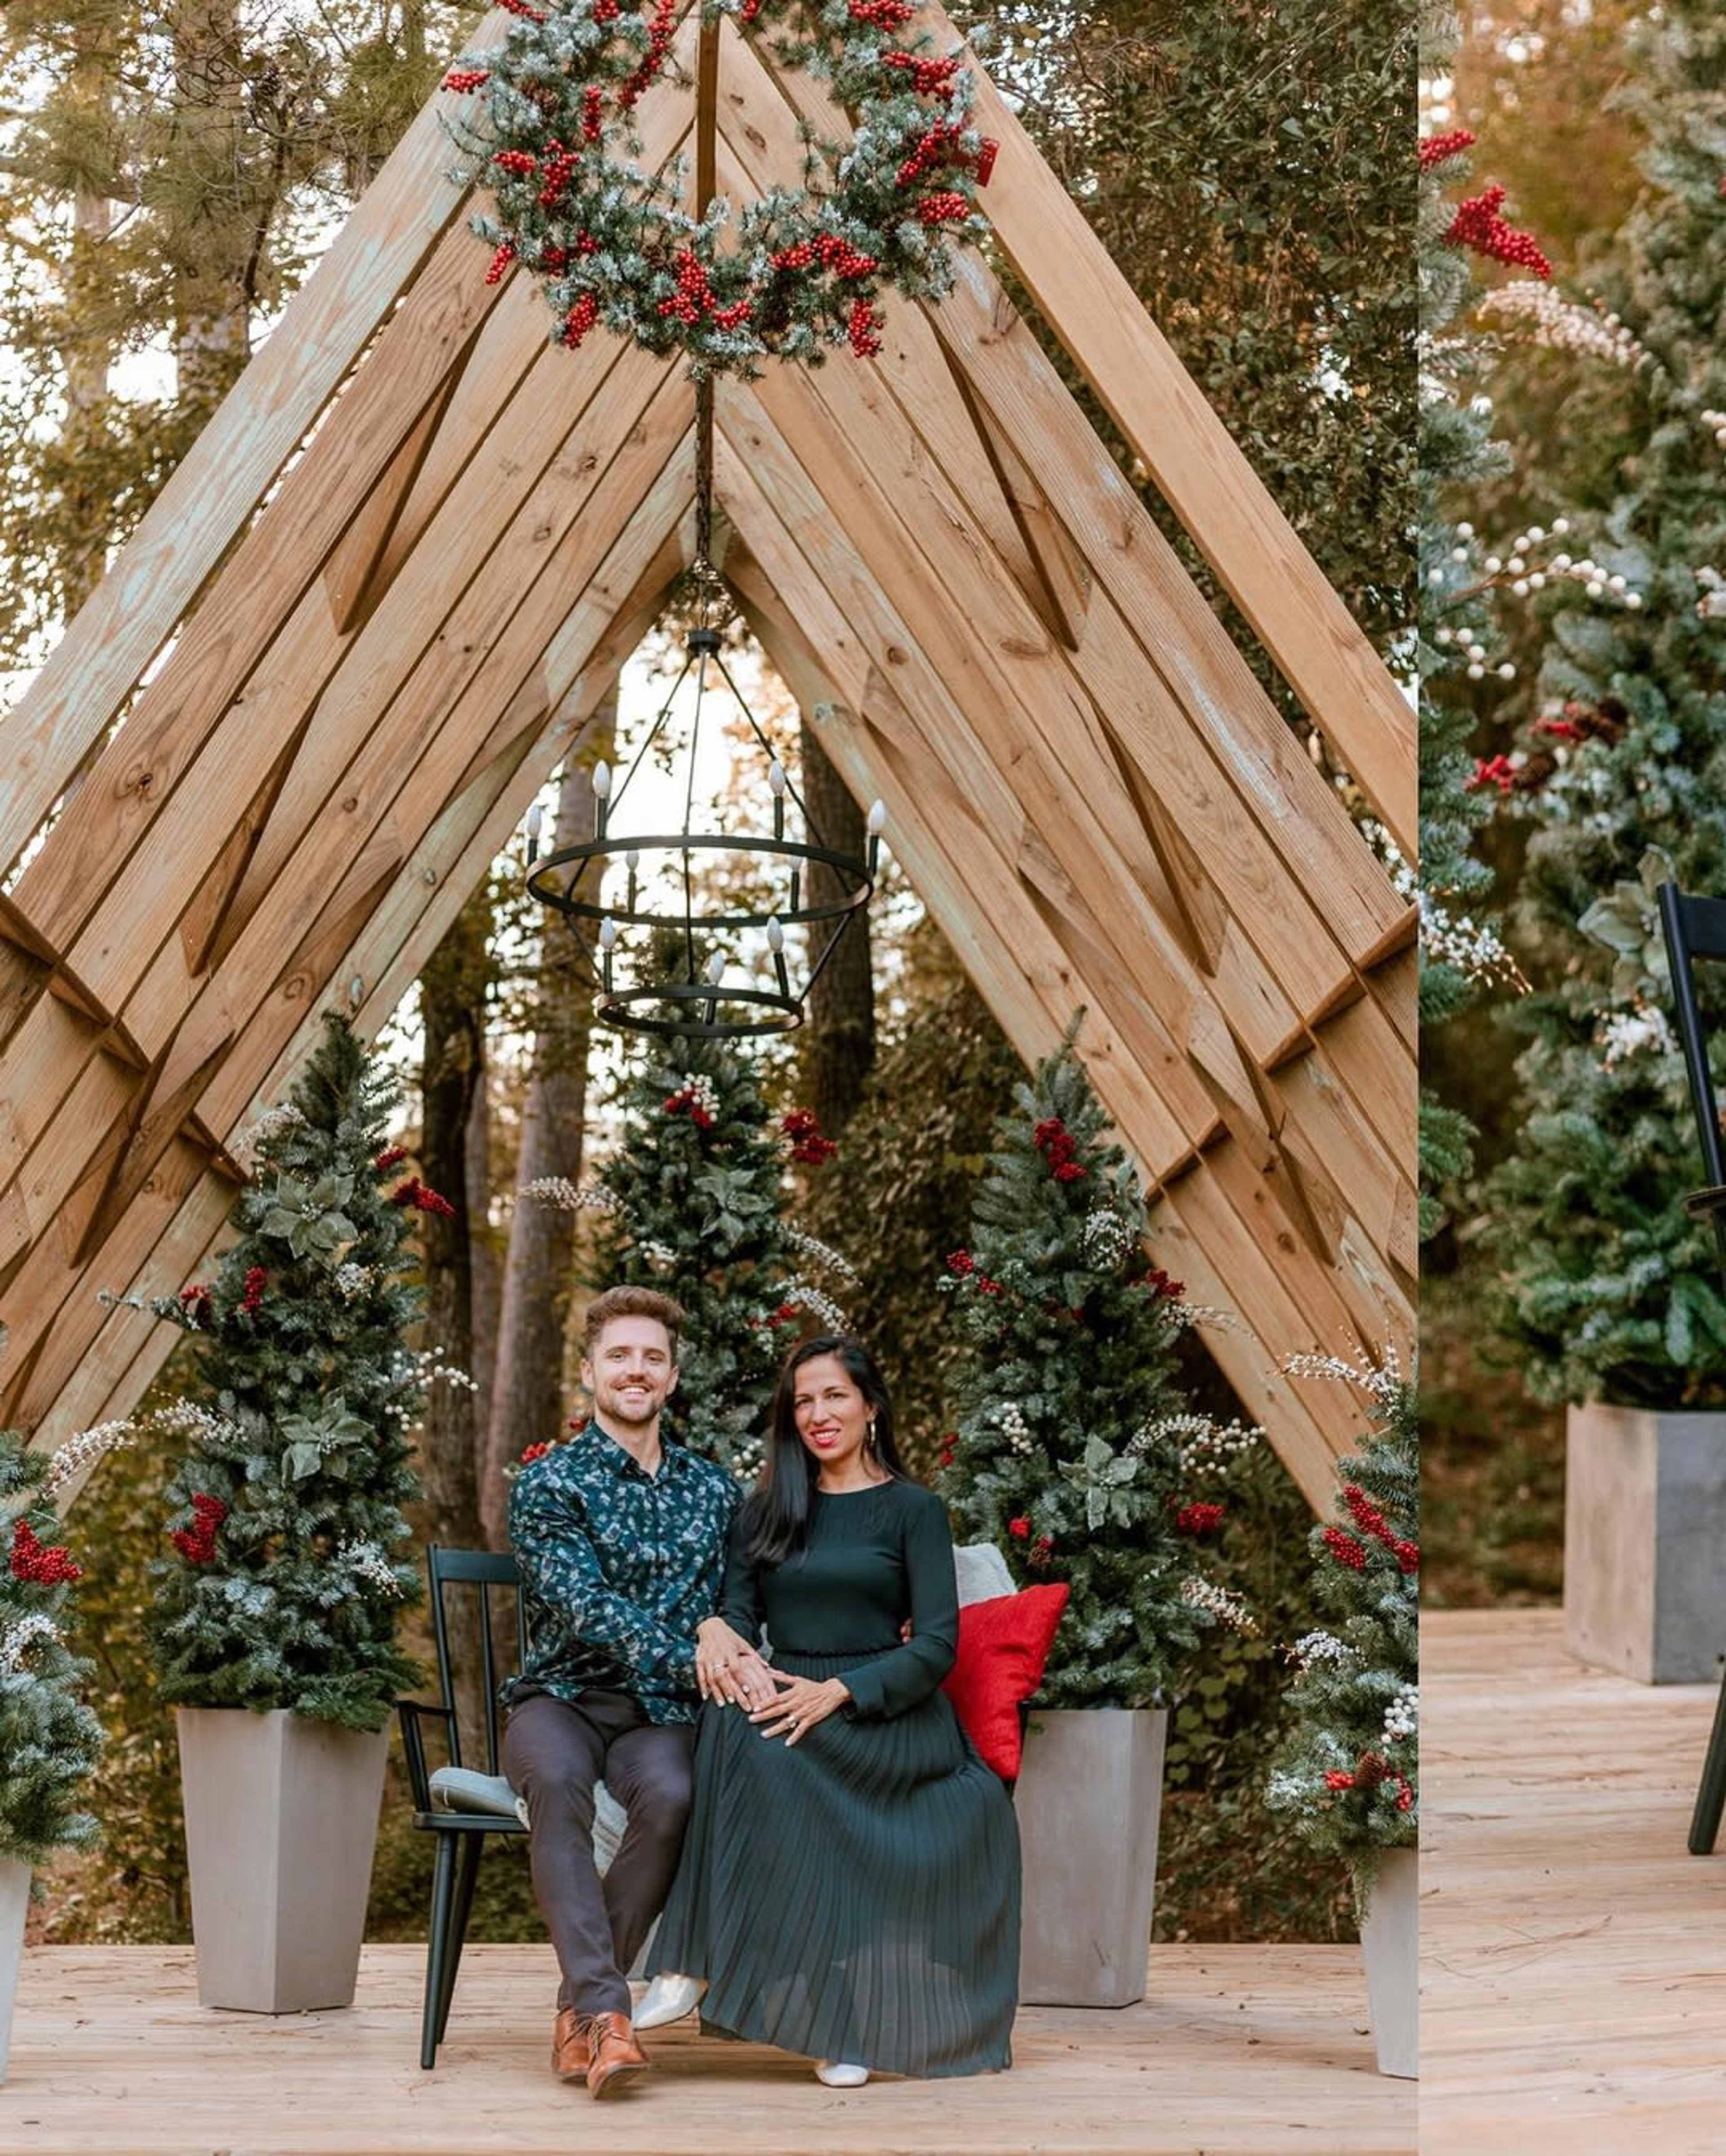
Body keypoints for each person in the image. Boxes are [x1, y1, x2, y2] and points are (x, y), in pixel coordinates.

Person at [635, 1332, 1021, 2085]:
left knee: (772, 1736)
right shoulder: (768, 1509)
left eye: (834, 1395)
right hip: (792, 1690)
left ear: (870, 1406)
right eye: (803, 1400)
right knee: (731, 1707)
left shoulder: (914, 1510)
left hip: (882, 1711)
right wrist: (720, 1631)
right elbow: (740, 1613)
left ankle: (840, 2024)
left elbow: (938, 1645)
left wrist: (842, 1691)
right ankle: (688, 1964)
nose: (818, 1413)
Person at [502, 1285, 776, 2099]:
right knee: (554, 1782)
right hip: (563, 1698)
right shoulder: (550, 1484)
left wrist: (722, 1630)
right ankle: (607, 2009)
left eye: (652, 1357)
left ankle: (583, 2015)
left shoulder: (714, 1489)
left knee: (675, 1793)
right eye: (619, 1355)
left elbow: (740, 1597)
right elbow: (587, 1610)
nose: (637, 1369)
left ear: (672, 1377)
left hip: (659, 1718)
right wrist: (700, 1653)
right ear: (590, 1373)